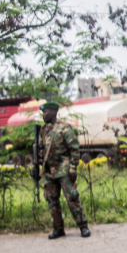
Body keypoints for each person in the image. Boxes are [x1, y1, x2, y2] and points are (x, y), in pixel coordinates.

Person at [37, 102, 91, 239]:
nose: (43, 115)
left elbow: (74, 148)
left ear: (54, 112)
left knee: (71, 197)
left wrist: (73, 167)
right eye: (43, 112)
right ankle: (58, 228)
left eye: (46, 112)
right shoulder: (43, 130)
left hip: (64, 168)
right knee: (51, 199)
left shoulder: (64, 128)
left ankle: (83, 226)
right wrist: (37, 164)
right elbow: (41, 150)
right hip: (50, 171)